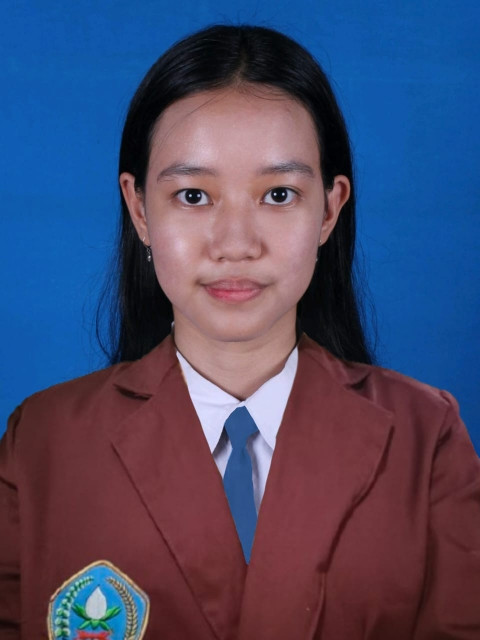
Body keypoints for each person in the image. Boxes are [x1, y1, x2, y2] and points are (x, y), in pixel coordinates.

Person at [1, 24, 479, 640]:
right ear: (140, 208)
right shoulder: (41, 445)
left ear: (329, 209)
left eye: (278, 194)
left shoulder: (427, 438)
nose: (236, 244)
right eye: (193, 195)